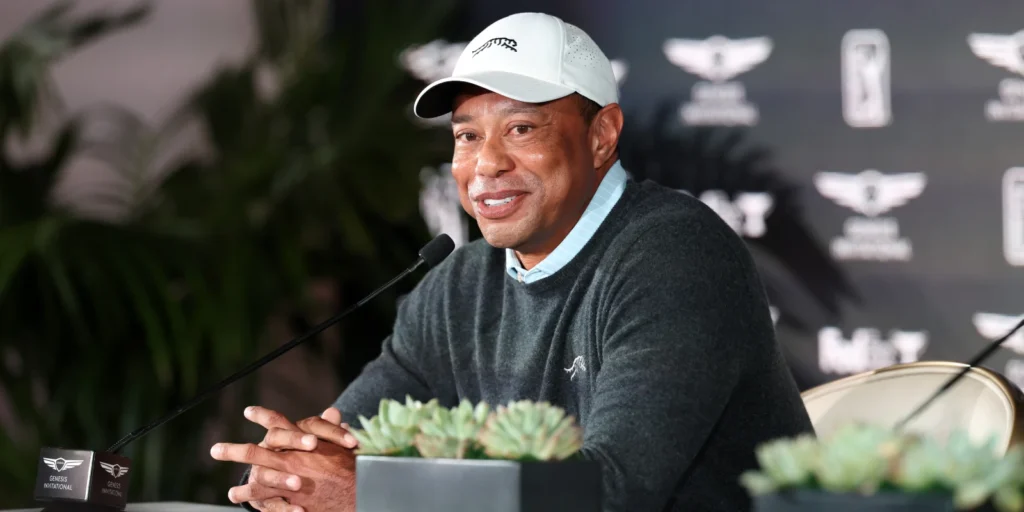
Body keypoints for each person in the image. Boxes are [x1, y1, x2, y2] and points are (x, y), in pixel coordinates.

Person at [209, 11, 814, 512]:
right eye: (467, 136)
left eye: (521, 128)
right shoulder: (459, 285)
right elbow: (340, 443)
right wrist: (289, 471)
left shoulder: (674, 256)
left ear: (602, 135)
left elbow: (612, 492)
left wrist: (373, 494)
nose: (487, 164)